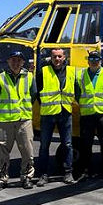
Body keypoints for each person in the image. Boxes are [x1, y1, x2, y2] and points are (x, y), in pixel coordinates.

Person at [0, 50, 37, 192]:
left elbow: (33, 95)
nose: (16, 63)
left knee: (27, 151)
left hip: (24, 120)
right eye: (13, 60)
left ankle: (27, 177)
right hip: (6, 121)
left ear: (23, 62)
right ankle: (1, 179)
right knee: (3, 152)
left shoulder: (29, 77)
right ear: (8, 62)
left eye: (18, 60)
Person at [35, 48, 76, 186]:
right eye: (54, 57)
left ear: (64, 57)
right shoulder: (44, 72)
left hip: (65, 112)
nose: (57, 59)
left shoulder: (71, 72)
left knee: (68, 144)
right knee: (44, 146)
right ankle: (43, 174)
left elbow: (77, 89)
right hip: (48, 114)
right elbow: (38, 91)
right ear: (51, 58)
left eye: (59, 56)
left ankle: (68, 172)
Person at [75, 51, 103, 180]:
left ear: (101, 61)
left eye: (97, 59)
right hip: (87, 115)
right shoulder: (80, 75)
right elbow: (77, 94)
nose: (94, 61)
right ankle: (87, 171)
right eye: (91, 59)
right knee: (86, 145)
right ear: (88, 61)